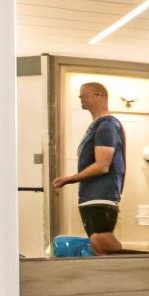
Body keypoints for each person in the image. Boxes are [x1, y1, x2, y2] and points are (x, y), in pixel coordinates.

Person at [52, 81, 127, 256]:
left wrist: (69, 178)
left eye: (84, 95)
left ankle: (129, 273)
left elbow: (102, 165)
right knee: (97, 242)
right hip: (92, 197)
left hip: (100, 197)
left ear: (99, 95)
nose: (80, 98)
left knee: (101, 240)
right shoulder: (98, 126)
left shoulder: (107, 126)